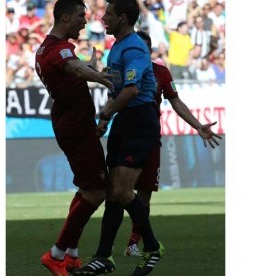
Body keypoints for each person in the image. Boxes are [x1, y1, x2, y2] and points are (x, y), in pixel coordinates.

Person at [73, 1, 164, 275]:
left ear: (123, 18)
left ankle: (152, 246)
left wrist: (105, 113)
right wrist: (107, 119)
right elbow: (117, 88)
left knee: (122, 190)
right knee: (113, 191)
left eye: (108, 14)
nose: (103, 19)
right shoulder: (117, 47)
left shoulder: (135, 48)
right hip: (125, 120)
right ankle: (103, 256)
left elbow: (132, 91)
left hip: (139, 119)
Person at [123, 30, 222, 257]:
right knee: (120, 191)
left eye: (142, 48)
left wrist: (197, 125)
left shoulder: (161, 73)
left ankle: (133, 243)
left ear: (148, 51)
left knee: (145, 193)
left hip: (150, 139)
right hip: (127, 137)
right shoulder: (125, 70)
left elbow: (175, 101)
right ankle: (105, 249)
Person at [34, 0, 114, 275]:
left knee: (86, 188)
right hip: (76, 126)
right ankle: (56, 254)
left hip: (70, 122)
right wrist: (104, 80)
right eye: (81, 16)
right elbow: (75, 69)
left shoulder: (47, 48)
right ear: (66, 17)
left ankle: (71, 254)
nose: (84, 21)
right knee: (97, 191)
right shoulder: (60, 48)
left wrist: (89, 68)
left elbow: (73, 70)